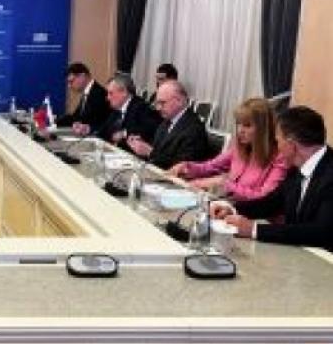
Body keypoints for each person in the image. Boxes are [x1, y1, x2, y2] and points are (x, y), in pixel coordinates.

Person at [212, 106, 333, 249]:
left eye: (278, 141)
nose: (278, 148)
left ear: (291, 144)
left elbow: (321, 232)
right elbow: (273, 202)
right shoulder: (297, 167)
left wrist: (254, 229)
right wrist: (232, 208)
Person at [168, 97, 288, 202]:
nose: (240, 130)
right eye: (238, 124)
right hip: (228, 207)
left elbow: (264, 198)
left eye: (247, 125)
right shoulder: (239, 148)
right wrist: (187, 167)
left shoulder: (279, 158)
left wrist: (224, 184)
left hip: (254, 215)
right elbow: (210, 167)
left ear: (264, 129)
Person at [126, 80, 208, 170]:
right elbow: (160, 149)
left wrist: (150, 152)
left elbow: (182, 167)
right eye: (157, 103)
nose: (158, 108)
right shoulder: (167, 120)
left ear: (179, 101)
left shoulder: (194, 128)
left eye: (162, 103)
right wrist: (142, 144)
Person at [93, 73, 160, 149]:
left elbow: (150, 128)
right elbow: (104, 131)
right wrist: (89, 131)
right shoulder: (116, 110)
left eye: (111, 93)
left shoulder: (141, 107)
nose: (107, 98)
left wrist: (125, 133)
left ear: (124, 92)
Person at [56, 62, 110, 132]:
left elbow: (90, 121)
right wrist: (55, 120)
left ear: (82, 76)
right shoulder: (87, 93)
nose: (69, 86)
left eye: (71, 81)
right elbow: (76, 117)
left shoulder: (99, 94)